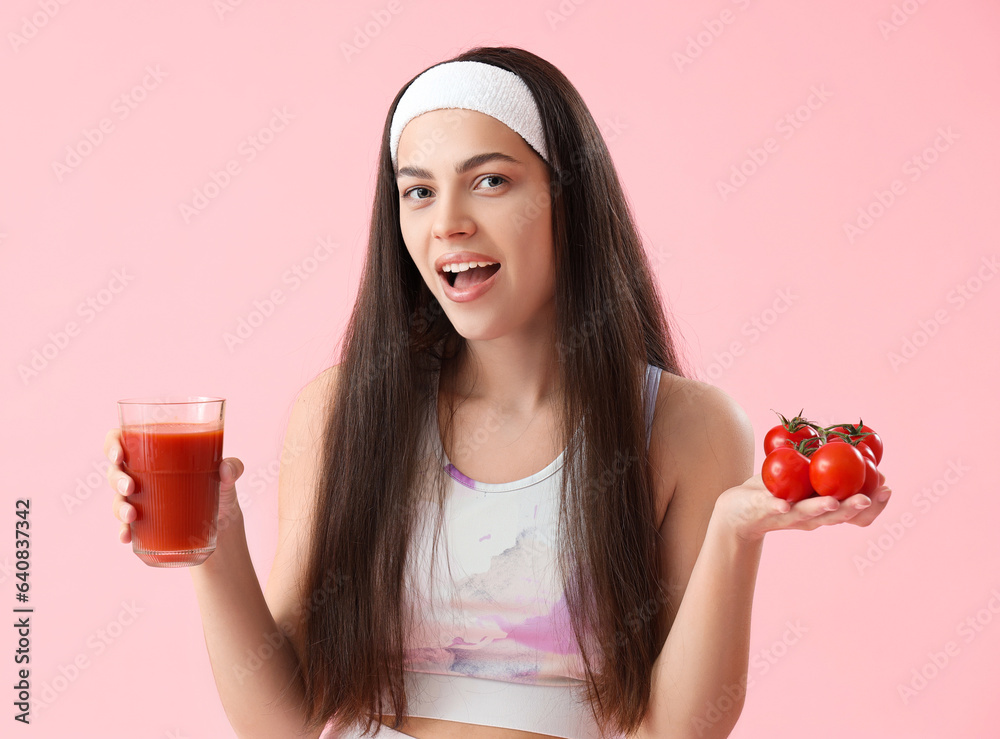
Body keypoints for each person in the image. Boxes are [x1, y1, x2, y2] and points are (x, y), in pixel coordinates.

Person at [105, 46, 892, 739]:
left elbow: (677, 731)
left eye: (488, 180)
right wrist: (214, 542)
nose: (447, 222)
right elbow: (282, 721)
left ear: (567, 198)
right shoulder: (342, 411)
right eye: (417, 191)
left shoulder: (682, 424)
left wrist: (733, 532)